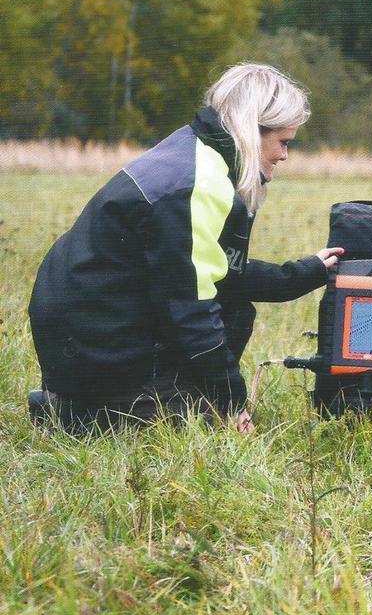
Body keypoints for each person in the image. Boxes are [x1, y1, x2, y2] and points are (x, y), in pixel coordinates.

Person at [28, 63, 344, 434]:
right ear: (251, 130)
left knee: (235, 311)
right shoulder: (196, 185)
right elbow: (190, 310)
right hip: (93, 346)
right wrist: (230, 402)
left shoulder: (194, 150)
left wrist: (304, 272)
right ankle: (79, 414)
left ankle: (88, 402)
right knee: (203, 421)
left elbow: (216, 272)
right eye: (283, 142)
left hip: (86, 337)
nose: (284, 156)